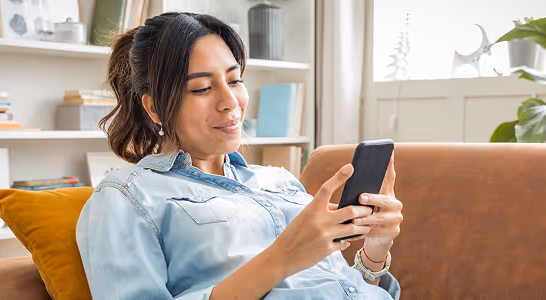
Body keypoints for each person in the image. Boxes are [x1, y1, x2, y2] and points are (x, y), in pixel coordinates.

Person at [75, 12, 404, 300]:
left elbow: (341, 286)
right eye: (203, 88)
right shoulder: (127, 197)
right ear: (154, 108)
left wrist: (375, 249)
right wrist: (285, 255)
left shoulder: (278, 179)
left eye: (234, 80)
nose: (230, 101)